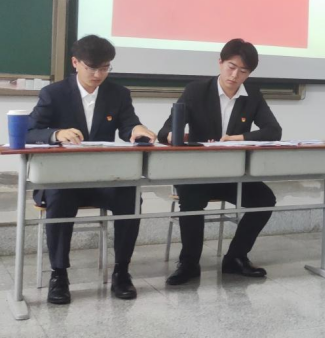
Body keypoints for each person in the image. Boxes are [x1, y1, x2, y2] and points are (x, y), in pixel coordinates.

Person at [26, 35, 156, 304]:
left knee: (130, 195)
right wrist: (56, 134)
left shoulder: (118, 94)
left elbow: (128, 125)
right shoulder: (54, 94)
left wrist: (137, 129)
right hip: (64, 179)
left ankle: (122, 271)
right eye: (92, 68)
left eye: (105, 68)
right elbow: (29, 131)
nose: (98, 75)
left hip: (102, 178)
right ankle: (59, 275)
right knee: (59, 196)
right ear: (75, 63)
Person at [158, 39, 282, 285]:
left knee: (264, 199)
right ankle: (189, 263)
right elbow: (165, 130)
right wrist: (172, 135)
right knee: (191, 200)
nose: (235, 76)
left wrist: (240, 138)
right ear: (220, 63)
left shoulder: (252, 95)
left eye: (243, 71)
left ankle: (235, 258)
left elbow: (273, 131)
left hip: (232, 173)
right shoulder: (196, 91)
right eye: (231, 67)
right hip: (198, 172)